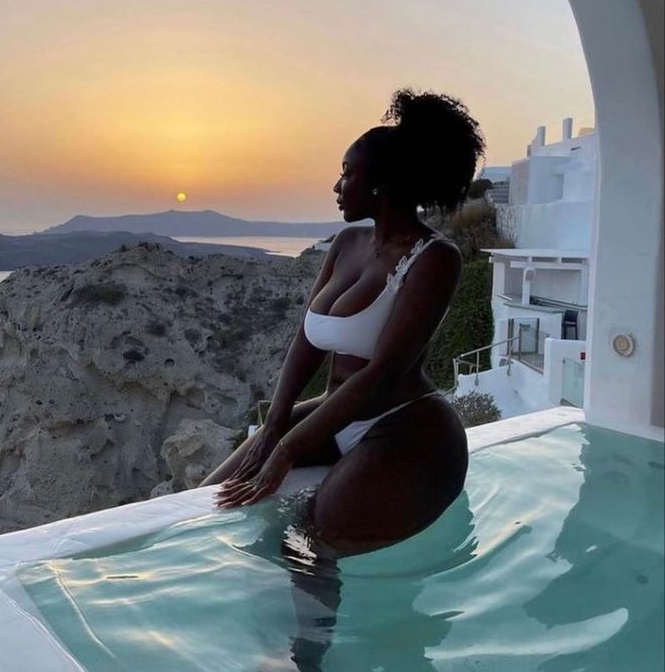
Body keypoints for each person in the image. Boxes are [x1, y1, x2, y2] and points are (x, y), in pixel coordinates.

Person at [200, 89, 484, 668]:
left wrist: (288, 450)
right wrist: (275, 426)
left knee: (307, 541)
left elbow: (382, 375)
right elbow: (306, 340)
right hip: (337, 411)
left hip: (406, 431)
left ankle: (306, 658)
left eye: (347, 173)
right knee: (213, 495)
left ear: (381, 184)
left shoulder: (435, 259)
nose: (337, 185)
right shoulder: (348, 242)